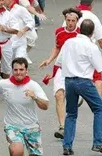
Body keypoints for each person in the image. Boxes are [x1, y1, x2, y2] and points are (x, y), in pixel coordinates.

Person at [60, 19, 102, 155]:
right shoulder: (91, 46)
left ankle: (67, 145)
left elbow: (60, 62)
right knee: (99, 109)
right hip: (84, 81)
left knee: (71, 114)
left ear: (79, 28)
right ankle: (98, 143)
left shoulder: (68, 43)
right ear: (92, 32)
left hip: (69, 81)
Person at [0, 57, 49, 156]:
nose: (18, 72)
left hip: (31, 126)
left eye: (21, 70)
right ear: (12, 71)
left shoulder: (33, 85)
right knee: (17, 151)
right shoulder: (4, 84)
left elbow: (45, 106)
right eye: (15, 70)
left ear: (26, 71)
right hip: (12, 126)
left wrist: (35, 97)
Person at [38, 8, 81, 139]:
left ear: (77, 21)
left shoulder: (81, 34)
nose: (70, 23)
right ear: (65, 20)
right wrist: (49, 60)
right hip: (61, 69)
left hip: (76, 71)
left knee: (73, 100)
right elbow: (57, 47)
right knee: (59, 95)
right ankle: (62, 127)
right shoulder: (59, 32)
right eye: (68, 20)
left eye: (73, 21)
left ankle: (78, 99)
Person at [76, 0, 102, 111]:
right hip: (88, 50)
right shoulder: (93, 17)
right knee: (98, 77)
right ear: (91, 5)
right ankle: (99, 103)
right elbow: (100, 39)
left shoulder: (72, 16)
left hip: (73, 48)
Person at [4, 0, 35, 64]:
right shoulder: (4, 11)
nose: (2, 1)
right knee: (10, 68)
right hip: (8, 44)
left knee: (19, 64)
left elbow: (31, 21)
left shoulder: (20, 9)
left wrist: (23, 30)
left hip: (20, 43)